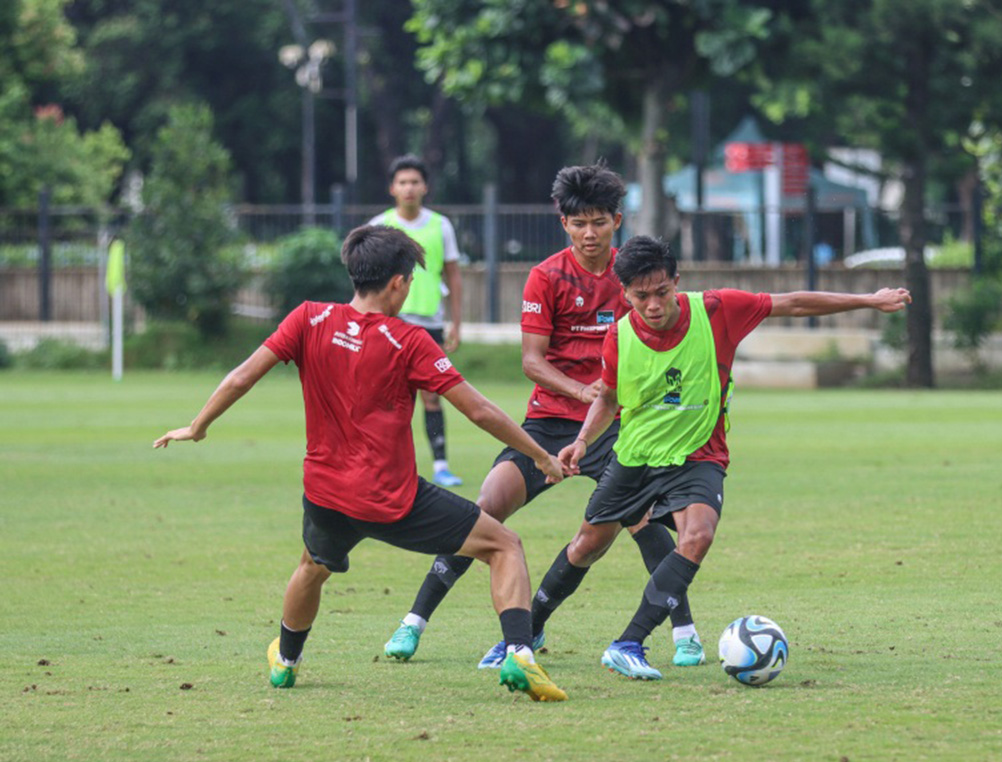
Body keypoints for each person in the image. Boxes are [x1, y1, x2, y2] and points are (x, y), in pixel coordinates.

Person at [153, 224, 568, 702]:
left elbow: (242, 377)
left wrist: (198, 425)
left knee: (312, 566)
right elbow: (478, 410)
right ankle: (520, 656)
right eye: (409, 279)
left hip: (326, 494)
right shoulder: (409, 341)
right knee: (504, 546)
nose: (409, 287)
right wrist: (540, 455)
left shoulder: (309, 318)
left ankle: (286, 661)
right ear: (397, 282)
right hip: (393, 499)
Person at [384, 163, 707, 670]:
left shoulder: (633, 279)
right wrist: (584, 391)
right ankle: (413, 622)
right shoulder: (547, 276)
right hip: (549, 423)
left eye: (599, 221)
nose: (589, 232)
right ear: (564, 223)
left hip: (614, 428)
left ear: (616, 221)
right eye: (579, 222)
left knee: (643, 522)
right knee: (484, 509)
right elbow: (532, 361)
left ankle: (685, 634)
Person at [555, 235, 912, 680]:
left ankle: (630, 643)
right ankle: (522, 634)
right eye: (640, 296)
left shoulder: (716, 309)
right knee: (586, 545)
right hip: (636, 455)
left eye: (661, 292)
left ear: (676, 283)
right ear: (625, 293)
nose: (651, 304)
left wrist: (868, 300)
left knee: (698, 535)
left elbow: (794, 303)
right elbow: (607, 397)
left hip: (700, 453)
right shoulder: (620, 336)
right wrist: (584, 441)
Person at [369, 154, 465, 487]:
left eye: (414, 182)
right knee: (382, 394)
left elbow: (453, 275)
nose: (409, 188)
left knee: (431, 394)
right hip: (389, 321)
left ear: (424, 187)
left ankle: (440, 464)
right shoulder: (378, 226)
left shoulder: (441, 226)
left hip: (430, 322)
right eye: (402, 182)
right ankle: (379, 463)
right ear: (392, 188)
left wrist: (457, 322)